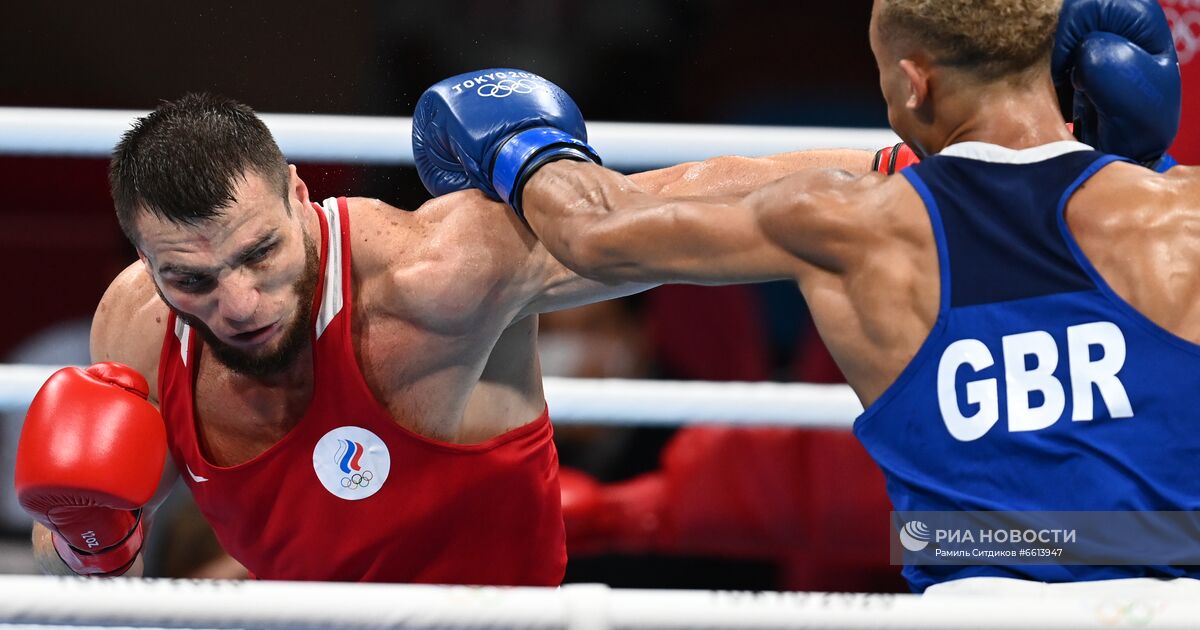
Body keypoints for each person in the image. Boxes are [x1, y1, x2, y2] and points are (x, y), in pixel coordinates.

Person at [412, 0, 1200, 593]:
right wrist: (1143, 164)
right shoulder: (1185, 213)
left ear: (914, 82)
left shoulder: (844, 224)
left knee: (938, 533)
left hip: (977, 601)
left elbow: (596, 235)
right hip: (1177, 598)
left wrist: (525, 145)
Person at [12, 93, 878, 583]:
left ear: (299, 197)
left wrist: (895, 174)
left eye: (260, 254)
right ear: (146, 263)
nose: (237, 302)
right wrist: (91, 537)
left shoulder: (435, 275)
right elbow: (96, 551)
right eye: (191, 278)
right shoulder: (137, 322)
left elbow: (670, 205)